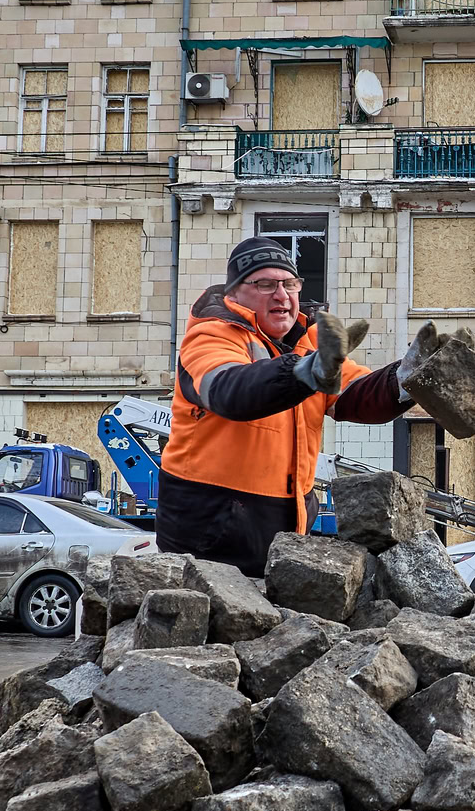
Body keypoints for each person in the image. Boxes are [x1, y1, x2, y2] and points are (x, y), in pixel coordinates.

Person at [157, 237, 448, 576]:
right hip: (212, 529)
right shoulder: (211, 336)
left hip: (287, 526)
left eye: (289, 284)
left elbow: (357, 395)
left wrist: (407, 379)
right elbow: (231, 391)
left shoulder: (308, 342)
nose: (281, 295)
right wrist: (305, 370)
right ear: (233, 294)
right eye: (265, 284)